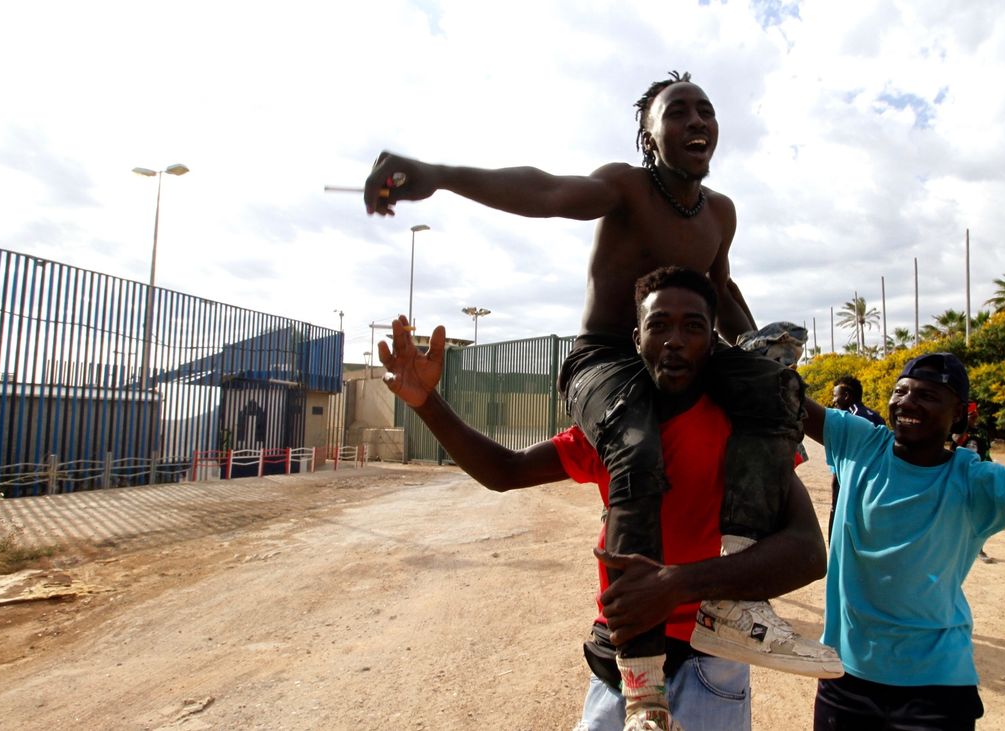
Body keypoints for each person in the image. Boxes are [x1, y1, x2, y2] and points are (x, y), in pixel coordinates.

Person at [364, 72, 837, 727]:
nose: (697, 120)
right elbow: (548, 190)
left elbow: (721, 293)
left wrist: (760, 363)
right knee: (637, 451)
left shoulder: (720, 212)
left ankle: (735, 599)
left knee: (773, 390)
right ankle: (638, 679)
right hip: (609, 361)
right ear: (648, 135)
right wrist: (439, 173)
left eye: (706, 109)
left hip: (673, 367)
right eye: (678, 112)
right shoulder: (627, 186)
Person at [377, 267, 830, 731]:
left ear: (712, 343)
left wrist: (677, 584)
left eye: (693, 326)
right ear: (637, 339)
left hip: (709, 662)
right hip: (621, 662)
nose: (675, 340)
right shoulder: (613, 431)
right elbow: (505, 471)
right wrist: (424, 402)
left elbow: (807, 552)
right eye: (659, 325)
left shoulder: (741, 429)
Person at [803, 300, 1005, 730]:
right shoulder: (860, 444)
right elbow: (785, 396)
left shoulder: (976, 482)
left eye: (928, 395)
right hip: (844, 677)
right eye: (901, 391)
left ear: (960, 416)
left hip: (935, 690)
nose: (907, 401)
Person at [826, 376, 885, 536]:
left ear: (846, 395)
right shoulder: (875, 415)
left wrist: (835, 497)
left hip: (852, 487)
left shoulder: (851, 419)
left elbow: (847, 460)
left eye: (835, 395)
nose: (833, 400)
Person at [950, 401, 995, 563]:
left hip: (978, 476)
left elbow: (986, 452)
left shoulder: (982, 432)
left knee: (978, 513)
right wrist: (964, 424)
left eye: (974, 414)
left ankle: (978, 549)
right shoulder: (957, 429)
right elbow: (956, 441)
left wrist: (989, 469)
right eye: (970, 414)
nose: (973, 417)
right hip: (958, 475)